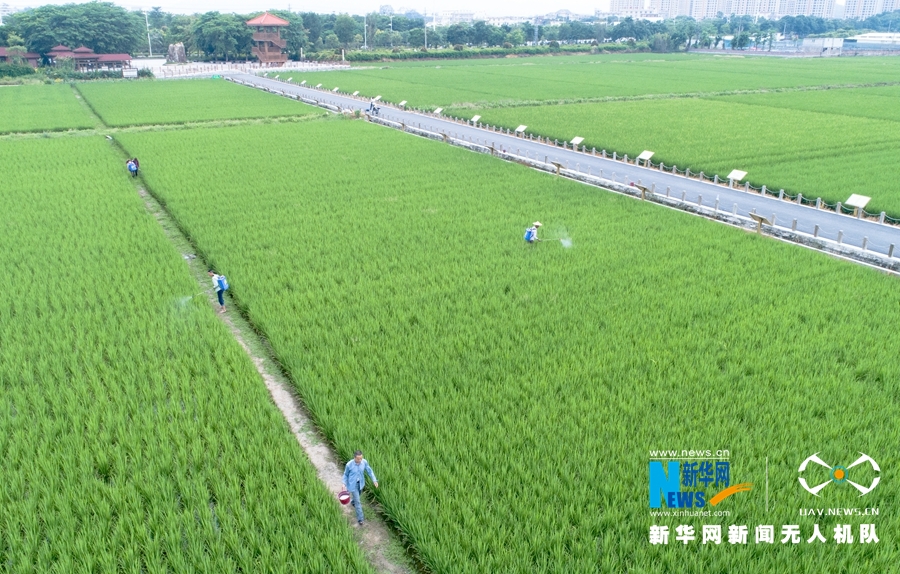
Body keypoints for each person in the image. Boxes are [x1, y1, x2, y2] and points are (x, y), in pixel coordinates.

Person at [342, 450, 378, 526]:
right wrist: (343, 483)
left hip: (361, 484)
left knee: (357, 498)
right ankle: (360, 519)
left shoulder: (364, 462)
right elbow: (345, 475)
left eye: (361, 458)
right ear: (354, 458)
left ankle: (352, 502)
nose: (360, 460)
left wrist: (374, 480)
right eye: (358, 459)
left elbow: (369, 471)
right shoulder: (349, 465)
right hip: (353, 485)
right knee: (358, 502)